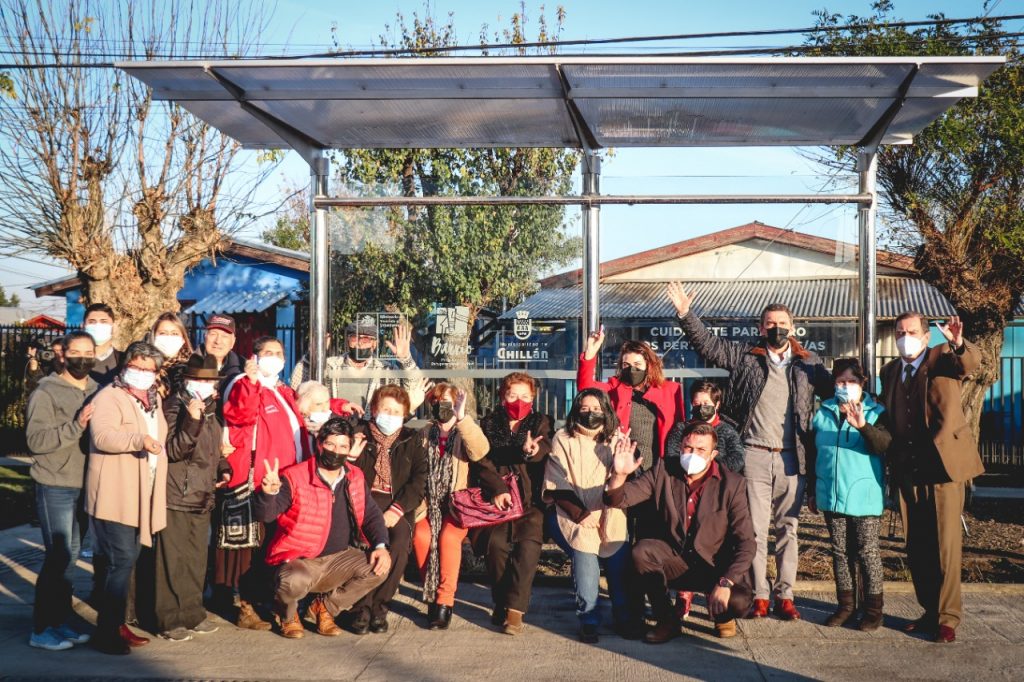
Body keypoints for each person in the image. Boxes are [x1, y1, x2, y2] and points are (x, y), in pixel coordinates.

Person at [668, 283, 831, 621]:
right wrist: (686, 314)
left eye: (782, 323)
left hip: (792, 457)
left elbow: (839, 390)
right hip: (754, 454)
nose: (776, 328)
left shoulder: (808, 364)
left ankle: (785, 595)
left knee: (788, 528)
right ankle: (759, 594)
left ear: (793, 327)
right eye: (770, 324)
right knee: (754, 530)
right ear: (760, 328)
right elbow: (708, 345)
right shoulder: (745, 357)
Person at [878, 312, 984, 644]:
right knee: (917, 544)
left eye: (911, 332)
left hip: (942, 467)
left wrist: (959, 343)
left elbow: (969, 363)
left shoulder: (941, 359)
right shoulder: (889, 371)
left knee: (945, 545)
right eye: (899, 332)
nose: (904, 338)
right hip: (908, 469)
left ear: (926, 337)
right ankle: (929, 611)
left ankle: (948, 618)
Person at [605, 421, 756, 643]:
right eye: (688, 447)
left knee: (739, 601)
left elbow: (747, 542)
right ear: (681, 447)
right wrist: (619, 476)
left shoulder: (732, 484)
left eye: (701, 449)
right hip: (675, 558)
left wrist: (725, 583)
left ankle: (722, 615)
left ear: (713, 454)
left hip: (713, 564)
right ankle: (667, 620)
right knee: (641, 552)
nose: (693, 454)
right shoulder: (663, 470)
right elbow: (620, 499)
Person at [253, 418, 392, 639]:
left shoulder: (354, 476)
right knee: (293, 581)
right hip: (302, 560)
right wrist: (268, 494)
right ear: (319, 444)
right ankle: (288, 616)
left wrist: (381, 546)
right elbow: (266, 515)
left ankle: (325, 608)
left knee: (379, 566)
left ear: (350, 449)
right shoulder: (294, 476)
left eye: (343, 446)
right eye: (330, 444)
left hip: (338, 558)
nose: (336, 451)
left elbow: (371, 514)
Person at [85, 341, 168, 655]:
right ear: (125, 366)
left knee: (126, 560)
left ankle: (116, 624)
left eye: (149, 369)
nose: (143, 373)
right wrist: (139, 440)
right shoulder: (110, 396)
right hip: (114, 494)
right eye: (137, 366)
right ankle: (106, 632)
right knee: (120, 561)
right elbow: (102, 436)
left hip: (141, 493)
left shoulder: (153, 399)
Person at [218, 335, 305, 631]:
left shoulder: (283, 390)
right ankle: (245, 604)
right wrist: (251, 382)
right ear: (254, 357)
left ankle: (268, 599)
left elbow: (304, 412)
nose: (274, 357)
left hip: (286, 478)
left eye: (278, 353)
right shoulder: (244, 383)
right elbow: (239, 413)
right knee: (250, 546)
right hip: (256, 476)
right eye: (267, 352)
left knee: (274, 545)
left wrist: (338, 405)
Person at [149, 353, 232, 641]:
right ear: (186, 381)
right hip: (177, 494)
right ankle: (168, 619)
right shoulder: (175, 406)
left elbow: (212, 450)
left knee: (196, 559)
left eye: (210, 381)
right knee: (172, 560)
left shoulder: (211, 409)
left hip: (203, 494)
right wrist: (192, 421)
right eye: (199, 380)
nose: (205, 385)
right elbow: (173, 450)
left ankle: (192, 613)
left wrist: (223, 468)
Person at [806, 358, 892, 631]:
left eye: (852, 381)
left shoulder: (877, 412)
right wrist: (812, 489)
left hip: (864, 495)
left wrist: (863, 425)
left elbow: (883, 445)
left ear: (862, 383)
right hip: (831, 494)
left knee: (867, 552)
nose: (846, 386)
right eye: (841, 381)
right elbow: (813, 454)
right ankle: (845, 606)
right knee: (840, 552)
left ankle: (874, 610)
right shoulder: (823, 412)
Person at [25, 331, 98, 651]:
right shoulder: (46, 391)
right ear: (63, 355)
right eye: (76, 352)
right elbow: (35, 441)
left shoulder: (98, 389)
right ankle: (41, 628)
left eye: (89, 353)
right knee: (58, 556)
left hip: (85, 484)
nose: (83, 358)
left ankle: (60, 619)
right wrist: (77, 425)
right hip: (55, 483)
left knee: (70, 559)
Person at [543, 388, 629, 643]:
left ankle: (625, 615)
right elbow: (556, 483)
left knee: (618, 560)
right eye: (584, 409)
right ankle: (589, 619)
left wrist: (624, 466)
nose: (590, 413)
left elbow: (625, 480)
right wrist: (581, 514)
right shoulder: (563, 438)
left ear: (606, 411)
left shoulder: (617, 439)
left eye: (596, 409)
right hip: (571, 512)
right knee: (585, 554)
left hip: (610, 511)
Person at [471, 371, 554, 635]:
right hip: (497, 500)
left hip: (530, 501)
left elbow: (544, 448)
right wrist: (497, 488)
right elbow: (481, 460)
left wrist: (530, 451)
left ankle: (515, 611)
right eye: (513, 395)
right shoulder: (488, 424)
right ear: (502, 396)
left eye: (525, 396)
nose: (519, 401)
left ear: (533, 398)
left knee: (527, 548)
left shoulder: (540, 422)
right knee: (495, 546)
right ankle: (501, 602)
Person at [348, 385, 428, 634]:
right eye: (386, 410)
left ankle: (380, 607)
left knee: (400, 545)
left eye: (396, 412)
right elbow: (343, 474)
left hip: (397, 503)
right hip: (363, 500)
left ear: (405, 415)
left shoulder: (411, 439)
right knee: (365, 545)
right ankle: (361, 607)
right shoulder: (359, 434)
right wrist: (350, 458)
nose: (390, 416)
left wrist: (398, 509)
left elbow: (419, 480)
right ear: (374, 410)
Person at [412, 383, 492, 630]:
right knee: (421, 536)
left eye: (446, 401)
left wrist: (462, 418)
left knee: (448, 538)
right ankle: (432, 594)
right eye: (436, 402)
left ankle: (444, 601)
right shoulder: (424, 432)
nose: (441, 406)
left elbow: (480, 451)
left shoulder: (463, 431)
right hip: (427, 505)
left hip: (457, 507)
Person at [675, 380, 746, 621]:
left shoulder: (727, 431)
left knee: (713, 547)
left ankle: (716, 604)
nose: (701, 408)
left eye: (706, 403)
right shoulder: (682, 429)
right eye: (696, 404)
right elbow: (673, 453)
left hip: (716, 495)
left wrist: (708, 467)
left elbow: (738, 458)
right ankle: (683, 596)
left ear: (717, 404)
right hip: (686, 492)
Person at [577, 328, 685, 471]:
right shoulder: (615, 388)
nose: (631, 370)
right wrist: (590, 353)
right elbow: (585, 387)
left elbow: (680, 428)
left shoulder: (670, 390)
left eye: (637, 365)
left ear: (648, 365)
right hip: (625, 465)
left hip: (661, 466)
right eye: (626, 365)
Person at [324, 316, 423, 411]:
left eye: (366, 339)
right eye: (355, 338)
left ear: (374, 343)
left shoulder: (387, 370)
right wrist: (317, 353)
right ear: (348, 341)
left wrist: (405, 358)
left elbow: (413, 386)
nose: (360, 343)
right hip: (336, 422)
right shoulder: (330, 366)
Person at [149, 312, 193, 398]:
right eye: (163, 333)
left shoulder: (192, 368)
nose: (169, 337)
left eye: (174, 334)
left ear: (183, 338)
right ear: (154, 337)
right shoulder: (145, 367)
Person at [196, 314, 244, 391]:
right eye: (213, 334)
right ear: (205, 337)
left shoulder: (243, 369)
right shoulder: (186, 367)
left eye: (224, 336)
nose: (218, 341)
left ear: (233, 342)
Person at [83, 303, 123, 386]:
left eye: (103, 322)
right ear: (83, 327)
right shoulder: (73, 360)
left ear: (114, 327)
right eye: (92, 322)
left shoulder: (124, 360)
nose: (97, 326)